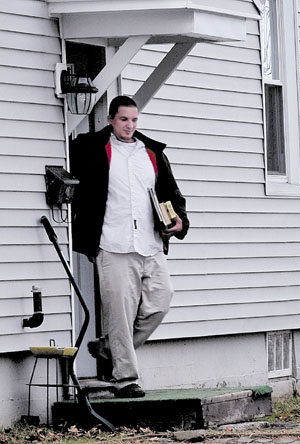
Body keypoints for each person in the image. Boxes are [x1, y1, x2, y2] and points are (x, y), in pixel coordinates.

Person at [70, 95, 189, 398]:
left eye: (134, 120)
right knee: (119, 314)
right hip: (112, 243)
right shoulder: (92, 149)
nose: (130, 125)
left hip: (150, 243)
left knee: (160, 301)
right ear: (111, 119)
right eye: (124, 119)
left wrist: (179, 221)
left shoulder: (150, 153)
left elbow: (171, 193)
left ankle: (110, 347)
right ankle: (126, 379)